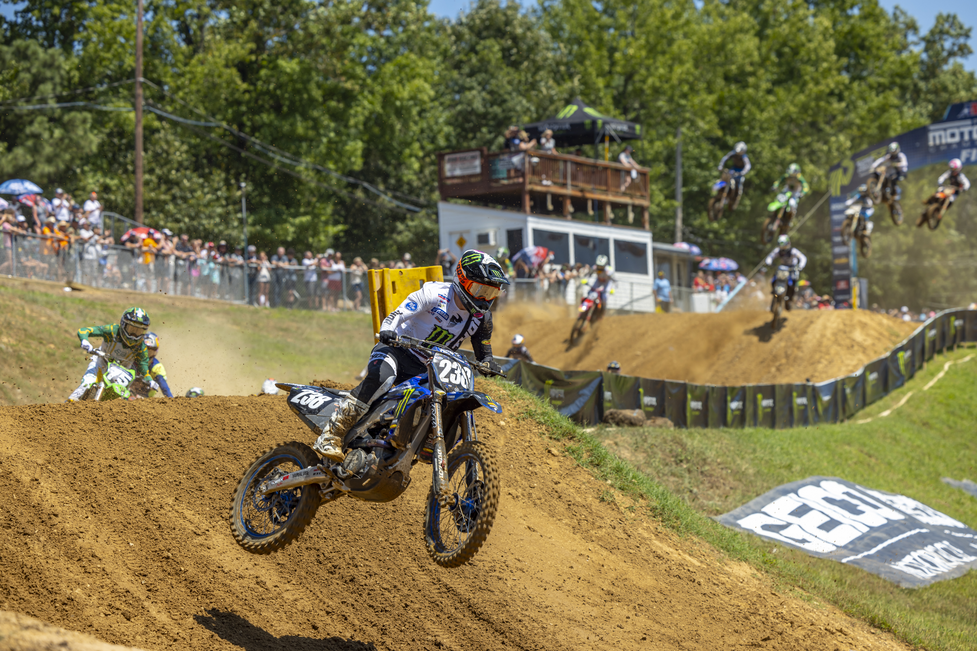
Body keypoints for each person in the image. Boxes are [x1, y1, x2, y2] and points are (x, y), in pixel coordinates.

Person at [313, 249, 510, 462]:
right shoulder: (435, 293)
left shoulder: (482, 319)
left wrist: (489, 363)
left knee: (448, 398)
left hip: (429, 368)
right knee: (382, 377)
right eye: (479, 290)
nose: (484, 299)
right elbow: (397, 315)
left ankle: (418, 442)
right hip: (397, 350)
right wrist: (387, 331)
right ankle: (332, 434)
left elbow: (484, 353)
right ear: (462, 280)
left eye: (490, 293)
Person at [68, 307, 159, 401]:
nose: (134, 335)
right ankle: (69, 403)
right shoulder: (112, 330)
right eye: (132, 329)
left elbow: (143, 366)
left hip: (121, 373)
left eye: (138, 331)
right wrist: (85, 341)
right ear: (123, 324)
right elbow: (84, 330)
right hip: (100, 363)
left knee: (120, 398)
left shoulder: (141, 346)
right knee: (86, 384)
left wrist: (149, 380)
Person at [763, 235, 807, 310]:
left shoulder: (793, 251)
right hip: (782, 268)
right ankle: (774, 293)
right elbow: (770, 257)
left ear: (788, 243)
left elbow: (803, 258)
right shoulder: (777, 250)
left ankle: (789, 298)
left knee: (793, 282)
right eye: (781, 245)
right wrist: (769, 262)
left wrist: (800, 266)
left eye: (784, 245)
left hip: (792, 268)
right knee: (774, 279)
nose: (783, 248)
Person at [135, 332, 174, 398]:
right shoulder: (131, 358)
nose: (146, 356)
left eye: (150, 352)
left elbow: (165, 388)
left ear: (156, 352)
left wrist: (171, 399)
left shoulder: (157, 367)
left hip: (145, 397)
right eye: (145, 351)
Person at [717, 141, 751, 209]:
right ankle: (719, 189)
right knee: (725, 176)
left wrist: (743, 172)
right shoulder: (732, 153)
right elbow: (725, 158)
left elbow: (748, 165)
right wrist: (720, 166)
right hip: (733, 169)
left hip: (740, 172)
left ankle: (735, 197)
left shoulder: (744, 157)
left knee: (738, 184)